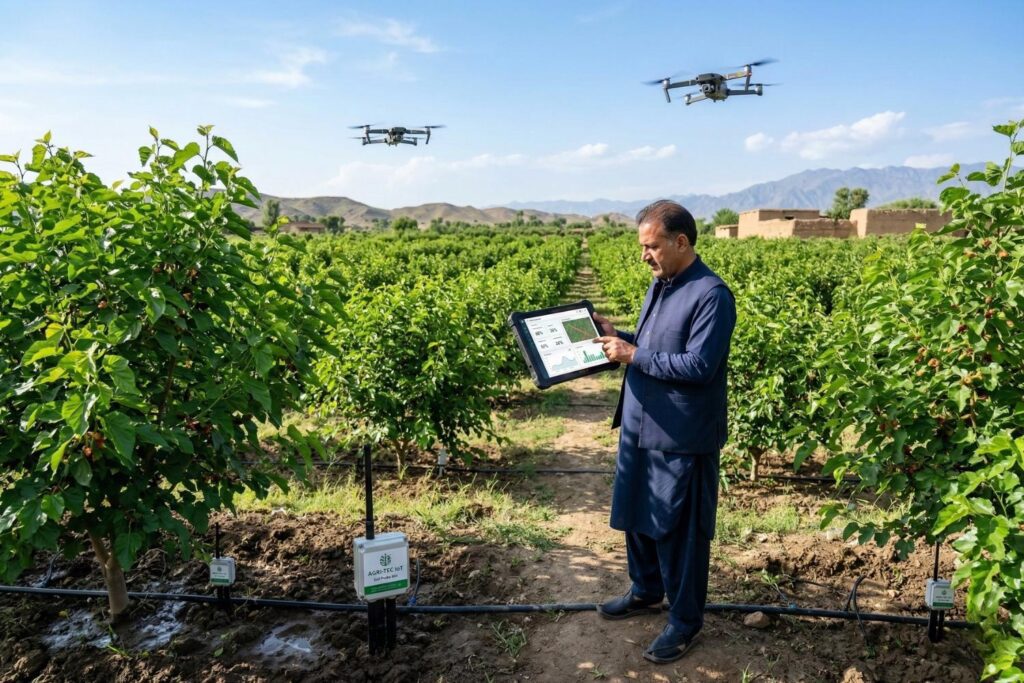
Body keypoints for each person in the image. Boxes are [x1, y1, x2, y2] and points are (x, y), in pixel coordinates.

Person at [592, 199, 736, 664]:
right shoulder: (662, 284)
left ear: (681, 242)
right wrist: (622, 337)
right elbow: (656, 346)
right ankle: (647, 589)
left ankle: (684, 621)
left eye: (652, 246)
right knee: (638, 516)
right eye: (642, 247)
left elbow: (698, 365)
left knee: (681, 531)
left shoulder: (711, 294)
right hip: (641, 424)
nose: (645, 255)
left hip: (681, 434)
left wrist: (632, 355)